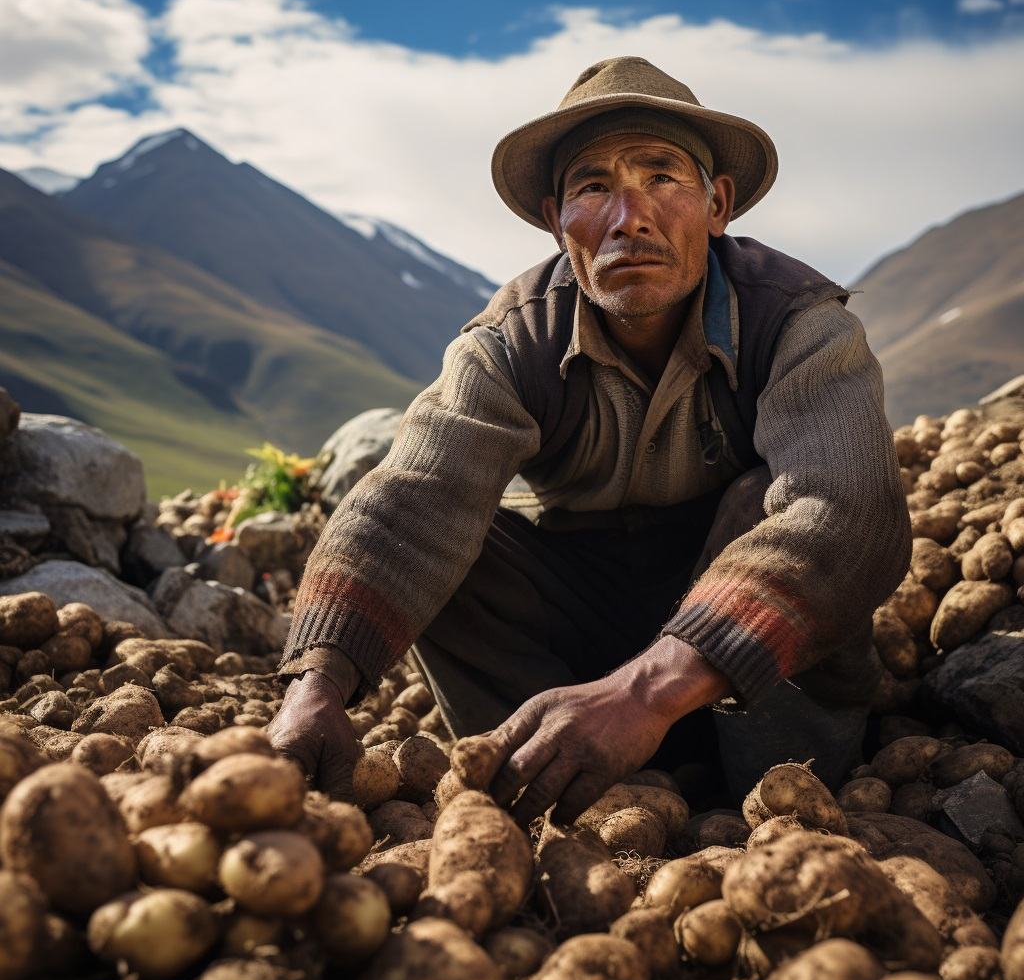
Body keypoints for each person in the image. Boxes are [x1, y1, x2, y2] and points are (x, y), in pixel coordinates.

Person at [267, 56, 911, 822]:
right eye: (594, 187)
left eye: (662, 176)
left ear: (718, 204)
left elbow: (846, 514)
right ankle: (556, 780)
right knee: (451, 539)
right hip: (581, 643)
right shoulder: (512, 343)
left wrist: (646, 692)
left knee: (766, 509)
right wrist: (317, 684)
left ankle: (751, 796)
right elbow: (410, 503)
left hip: (754, 673)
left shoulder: (797, 325)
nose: (629, 217)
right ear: (556, 219)